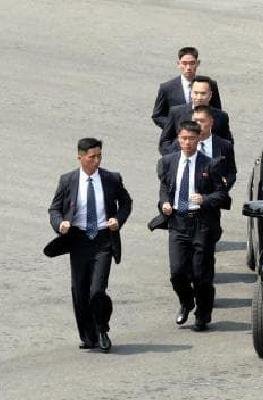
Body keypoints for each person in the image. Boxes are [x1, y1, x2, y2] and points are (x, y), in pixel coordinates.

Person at [47, 138, 132, 352]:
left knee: (97, 291)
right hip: (78, 241)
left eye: (99, 156)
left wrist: (118, 220)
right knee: (80, 291)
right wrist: (60, 224)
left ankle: (102, 329)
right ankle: (88, 336)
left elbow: (126, 202)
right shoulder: (68, 180)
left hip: (103, 240)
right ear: (80, 157)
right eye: (92, 157)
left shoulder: (111, 178)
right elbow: (54, 209)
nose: (96, 160)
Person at [157, 121, 228, 332]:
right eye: (183, 138)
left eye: (191, 138)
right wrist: (164, 203)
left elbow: (223, 196)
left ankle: (202, 316)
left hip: (201, 223)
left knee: (201, 275)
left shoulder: (210, 164)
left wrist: (205, 199)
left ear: (198, 139)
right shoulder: (168, 162)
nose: (187, 142)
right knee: (177, 272)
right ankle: (186, 302)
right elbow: (165, 187)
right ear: (178, 138)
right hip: (178, 222)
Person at [159, 75, 233, 155]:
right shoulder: (176, 113)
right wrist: (176, 158)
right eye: (196, 93)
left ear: (210, 95)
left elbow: (227, 142)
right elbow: (165, 141)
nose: (199, 97)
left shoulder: (221, 116)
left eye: (203, 93)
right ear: (191, 93)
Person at [152, 47, 222, 129]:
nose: (188, 67)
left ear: (198, 63)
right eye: (184, 63)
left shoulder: (210, 85)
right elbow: (158, 116)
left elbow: (217, 112)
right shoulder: (167, 88)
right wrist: (175, 126)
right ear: (178, 64)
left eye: (192, 63)